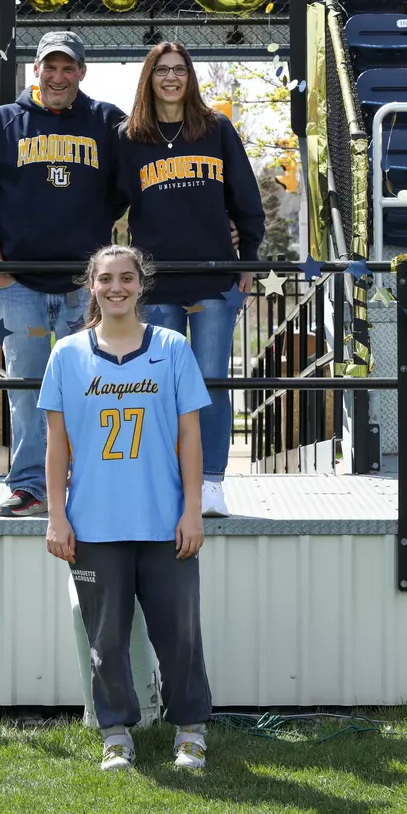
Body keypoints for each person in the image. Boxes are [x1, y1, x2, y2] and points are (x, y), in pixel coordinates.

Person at [38, 244, 213, 771]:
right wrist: (56, 515)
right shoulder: (66, 354)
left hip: (164, 521)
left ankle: (190, 731)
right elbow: (56, 444)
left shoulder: (173, 347)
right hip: (94, 523)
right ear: (91, 286)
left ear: (142, 284)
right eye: (106, 278)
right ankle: (116, 733)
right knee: (105, 638)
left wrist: (193, 510)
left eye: (127, 278)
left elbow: (189, 436)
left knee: (179, 634)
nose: (117, 287)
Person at [0, 31, 125, 518]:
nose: (58, 77)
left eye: (68, 68)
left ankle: (94, 483)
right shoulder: (2, 122)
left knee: (94, 387)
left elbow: (127, 186)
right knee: (27, 387)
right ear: (35, 69)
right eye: (49, 67)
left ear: (82, 71)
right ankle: (31, 485)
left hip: (85, 288)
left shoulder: (106, 121)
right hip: (22, 288)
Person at [116, 41, 265, 518]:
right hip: (157, 284)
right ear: (149, 77)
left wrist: (249, 258)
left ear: (190, 77)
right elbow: (104, 206)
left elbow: (245, 197)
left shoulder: (216, 129)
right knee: (157, 386)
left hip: (213, 282)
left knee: (211, 383)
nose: (172, 78)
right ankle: (165, 481)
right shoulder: (129, 137)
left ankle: (212, 481)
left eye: (180, 69)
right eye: (162, 70)